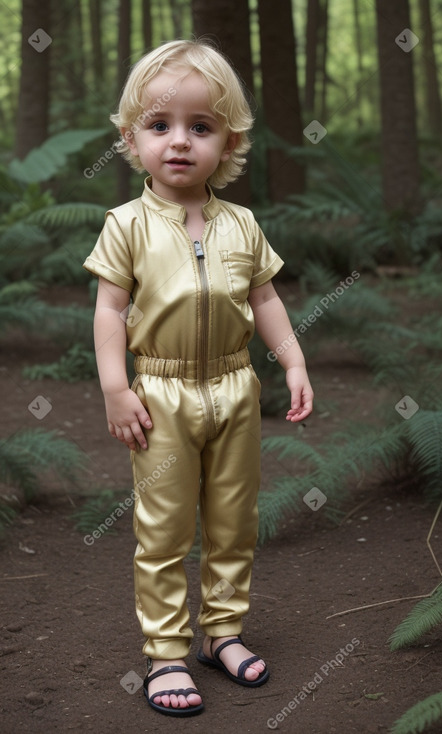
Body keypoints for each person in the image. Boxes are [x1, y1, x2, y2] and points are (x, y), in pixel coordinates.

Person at [83, 39, 313, 717]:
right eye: (159, 126)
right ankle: (164, 651)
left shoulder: (241, 224)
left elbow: (265, 300)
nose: (178, 142)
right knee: (161, 527)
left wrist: (292, 360)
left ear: (228, 141)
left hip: (234, 388)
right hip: (160, 393)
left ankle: (222, 633)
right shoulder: (125, 226)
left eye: (199, 127)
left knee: (232, 520)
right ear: (130, 138)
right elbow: (109, 310)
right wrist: (115, 387)